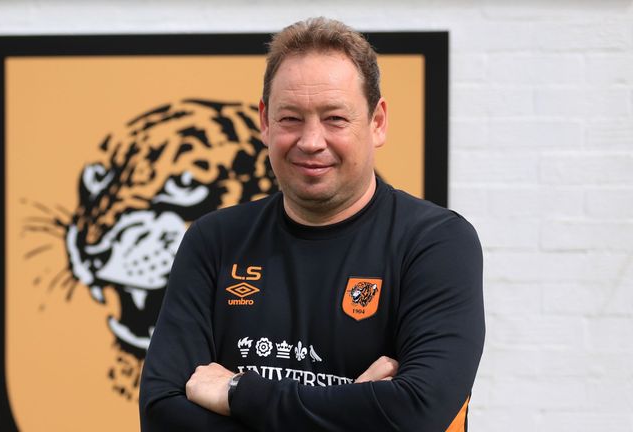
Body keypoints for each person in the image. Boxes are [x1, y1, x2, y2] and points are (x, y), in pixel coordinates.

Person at [139, 17, 484, 432]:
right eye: (291, 119)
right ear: (265, 122)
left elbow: (417, 413)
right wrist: (356, 412)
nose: (311, 141)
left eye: (335, 118)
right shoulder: (215, 240)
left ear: (377, 122)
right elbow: (162, 414)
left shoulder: (436, 243)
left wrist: (237, 392)